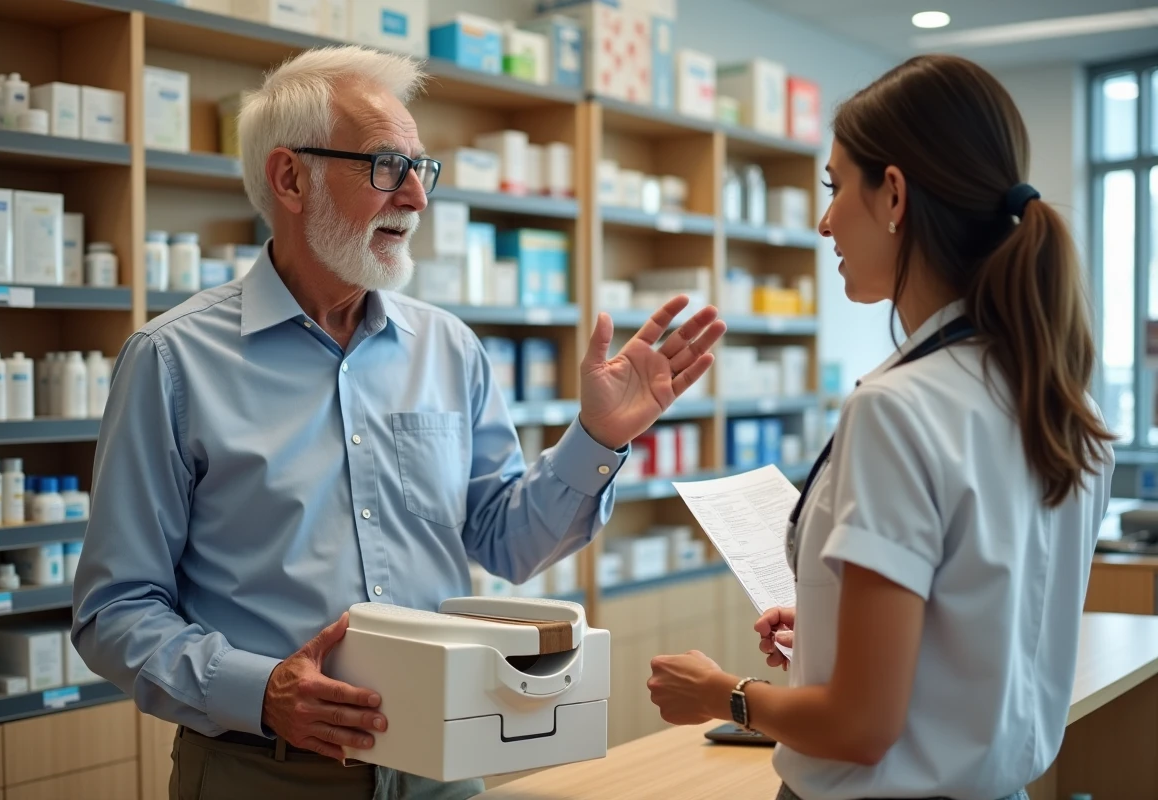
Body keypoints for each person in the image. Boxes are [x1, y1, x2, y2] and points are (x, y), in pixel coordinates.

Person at [72, 45, 725, 800]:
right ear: (290, 177)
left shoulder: (447, 348)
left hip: (442, 765)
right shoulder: (172, 361)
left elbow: (506, 542)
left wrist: (599, 439)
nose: (416, 198)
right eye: (386, 167)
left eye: (423, 168)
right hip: (263, 772)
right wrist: (260, 691)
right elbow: (115, 611)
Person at [646, 53, 1115, 800]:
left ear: (893, 194)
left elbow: (861, 729)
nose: (824, 220)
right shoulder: (1056, 402)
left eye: (835, 187)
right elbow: (984, 614)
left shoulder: (897, 408)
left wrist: (719, 694)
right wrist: (839, 619)